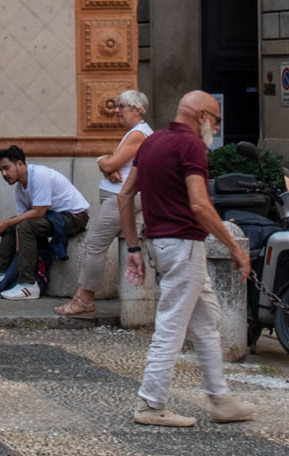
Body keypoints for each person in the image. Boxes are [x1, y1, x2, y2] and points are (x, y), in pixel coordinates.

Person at [116, 91, 256, 428]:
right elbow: (199, 204)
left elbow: (124, 195)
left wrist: (133, 248)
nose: (217, 126)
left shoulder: (151, 143)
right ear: (203, 116)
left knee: (207, 320)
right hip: (183, 245)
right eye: (217, 119)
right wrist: (234, 247)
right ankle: (151, 404)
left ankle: (220, 399)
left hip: (162, 245)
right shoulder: (192, 146)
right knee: (171, 326)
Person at [57, 88, 153, 317]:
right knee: (95, 246)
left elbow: (111, 164)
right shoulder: (136, 133)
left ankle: (85, 298)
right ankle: (84, 296)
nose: (116, 111)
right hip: (119, 197)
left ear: (136, 110)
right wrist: (105, 163)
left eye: (121, 107)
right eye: (117, 106)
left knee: (94, 246)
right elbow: (111, 165)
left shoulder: (138, 134)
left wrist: (104, 162)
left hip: (120, 199)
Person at [0, 145, 90, 300]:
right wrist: (19, 253)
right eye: (1, 170)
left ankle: (28, 284)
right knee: (15, 223)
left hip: (75, 217)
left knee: (24, 225)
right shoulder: (19, 188)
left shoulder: (39, 175)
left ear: (20, 164)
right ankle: (0, 275)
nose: (4, 174)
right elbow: (20, 221)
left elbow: (39, 212)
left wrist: (5, 224)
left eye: (6, 168)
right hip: (54, 216)